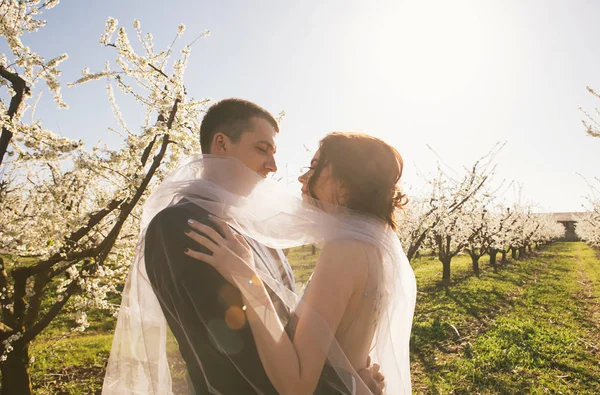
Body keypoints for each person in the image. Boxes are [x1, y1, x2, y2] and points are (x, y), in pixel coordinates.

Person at [102, 99, 385, 394]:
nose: (273, 166)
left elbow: (295, 334)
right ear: (222, 145)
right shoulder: (181, 225)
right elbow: (228, 357)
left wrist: (350, 380)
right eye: (262, 149)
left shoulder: (258, 232)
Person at [185, 132, 417, 394]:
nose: (302, 177)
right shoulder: (372, 248)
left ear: (345, 185)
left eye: (315, 167)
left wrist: (246, 276)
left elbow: (297, 385)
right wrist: (357, 383)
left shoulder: (343, 251)